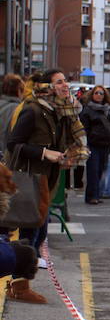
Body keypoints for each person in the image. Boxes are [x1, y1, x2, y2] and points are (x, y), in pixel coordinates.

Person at [4, 69, 87, 301]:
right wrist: (44, 153)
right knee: (31, 233)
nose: (65, 86)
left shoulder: (58, 111)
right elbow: (14, 144)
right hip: (30, 180)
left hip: (45, 180)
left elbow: (58, 142)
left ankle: (18, 283)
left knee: (38, 233)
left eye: (65, 81)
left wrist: (65, 155)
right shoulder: (33, 111)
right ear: (46, 87)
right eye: (59, 82)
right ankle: (19, 288)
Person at [79, 86, 110, 205]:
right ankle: (91, 196)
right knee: (93, 170)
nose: (99, 95)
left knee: (100, 169)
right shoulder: (87, 110)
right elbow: (84, 128)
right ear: (92, 94)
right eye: (96, 93)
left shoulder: (108, 110)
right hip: (93, 144)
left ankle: (97, 194)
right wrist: (85, 144)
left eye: (101, 93)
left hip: (105, 144)